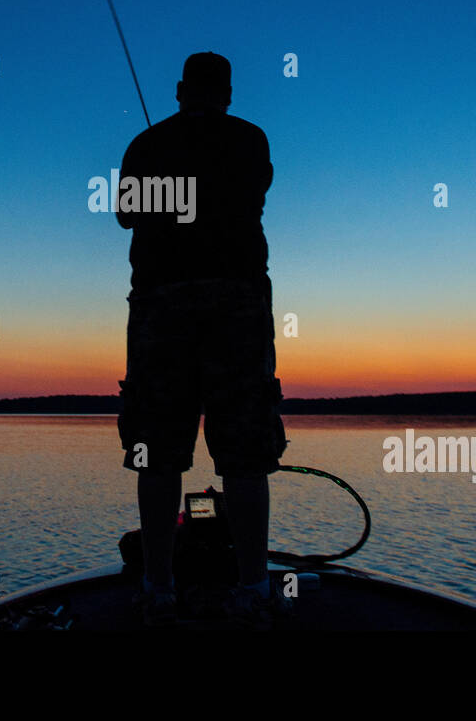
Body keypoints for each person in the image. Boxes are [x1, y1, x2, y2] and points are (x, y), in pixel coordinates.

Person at [115, 51, 288, 628]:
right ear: (229, 94)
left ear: (180, 89)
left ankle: (158, 589)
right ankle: (252, 590)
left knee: (157, 452)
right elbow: (249, 193)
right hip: (236, 304)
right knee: (245, 454)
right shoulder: (251, 140)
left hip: (164, 306)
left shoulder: (146, 146)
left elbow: (124, 213)